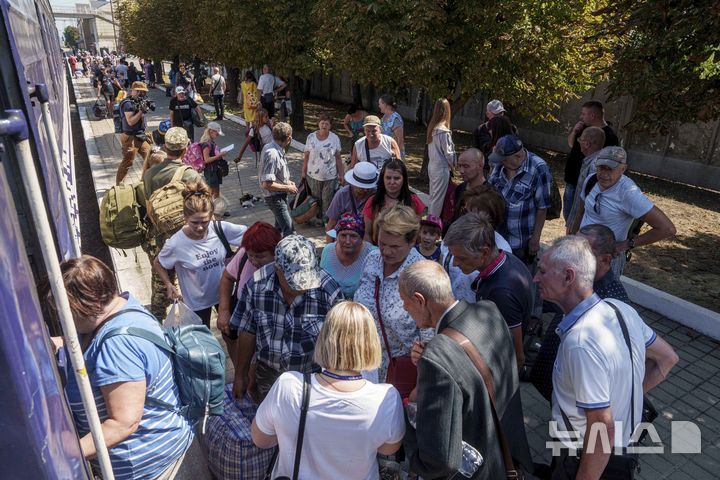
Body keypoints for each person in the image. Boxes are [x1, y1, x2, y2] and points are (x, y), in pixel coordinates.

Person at [534, 236, 678, 478]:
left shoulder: (579, 343)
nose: (536, 278)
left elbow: (601, 428)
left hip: (586, 459)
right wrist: (627, 397)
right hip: (622, 454)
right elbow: (668, 358)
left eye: (542, 271)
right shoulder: (620, 309)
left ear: (568, 277)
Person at [51, 255, 195, 479]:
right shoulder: (126, 307)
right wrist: (59, 343)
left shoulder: (118, 346)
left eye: (65, 310)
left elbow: (123, 423)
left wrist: (61, 455)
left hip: (149, 468)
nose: (62, 317)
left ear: (87, 305)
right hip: (164, 449)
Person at [399, 260, 533, 479]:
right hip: (507, 455)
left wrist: (412, 459)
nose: (405, 309)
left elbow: (440, 459)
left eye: (405, 303)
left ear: (419, 300)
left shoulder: (437, 358)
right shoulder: (488, 310)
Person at [252, 301, 405, 480]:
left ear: (325, 337)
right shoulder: (386, 399)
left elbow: (260, 439)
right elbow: (388, 448)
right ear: (371, 343)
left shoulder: (288, 387)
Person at [231, 235, 343, 401]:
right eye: (294, 282)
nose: (302, 287)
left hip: (313, 377)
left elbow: (340, 345)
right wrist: (241, 375)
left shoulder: (329, 291)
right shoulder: (256, 286)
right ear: (277, 269)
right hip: (268, 374)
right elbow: (248, 331)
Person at [530, 223, 633, 402]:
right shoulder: (580, 282)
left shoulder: (612, 300)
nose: (572, 255)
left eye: (584, 252)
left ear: (606, 260)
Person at [444, 213, 533, 371]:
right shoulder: (506, 259)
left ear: (484, 252)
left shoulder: (501, 291)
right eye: (453, 256)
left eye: (462, 258)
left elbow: (517, 356)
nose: (455, 263)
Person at [354, 206, 432, 381]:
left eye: (395, 246)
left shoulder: (422, 275)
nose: (386, 251)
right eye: (382, 243)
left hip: (400, 370)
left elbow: (429, 335)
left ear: (412, 241)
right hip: (364, 363)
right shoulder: (372, 259)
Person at [154, 180, 247, 327]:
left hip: (225, 293)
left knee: (231, 333)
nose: (199, 227)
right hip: (197, 302)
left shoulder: (220, 229)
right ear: (185, 218)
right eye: (194, 222)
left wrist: (236, 259)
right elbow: (158, 262)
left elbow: (251, 237)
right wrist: (168, 284)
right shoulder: (175, 243)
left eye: (204, 222)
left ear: (211, 216)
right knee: (203, 340)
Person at [574, 146, 676, 277]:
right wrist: (572, 237)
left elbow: (667, 229)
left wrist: (627, 244)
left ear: (623, 169)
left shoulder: (629, 193)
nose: (603, 174)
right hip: (581, 252)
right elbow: (581, 212)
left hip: (605, 261)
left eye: (610, 169)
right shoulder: (591, 179)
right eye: (601, 167)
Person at [217, 221, 281, 368]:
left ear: (276, 252)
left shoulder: (284, 267)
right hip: (242, 329)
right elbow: (227, 277)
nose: (253, 261)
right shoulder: (244, 255)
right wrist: (224, 311)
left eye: (260, 256)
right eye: (250, 255)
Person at [488, 134, 552, 264]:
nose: (501, 163)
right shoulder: (500, 164)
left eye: (504, 160)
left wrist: (535, 239)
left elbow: (542, 207)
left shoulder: (539, 168)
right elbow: (489, 189)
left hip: (520, 242)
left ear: (518, 156)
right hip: (496, 238)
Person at [564, 101, 620, 222]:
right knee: (569, 217)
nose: (581, 117)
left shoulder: (609, 136)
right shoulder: (583, 128)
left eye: (583, 114)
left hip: (588, 185)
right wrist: (574, 132)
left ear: (593, 115)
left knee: (579, 218)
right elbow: (571, 144)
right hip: (572, 180)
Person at [362, 159, 425, 244]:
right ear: (382, 178)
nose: (392, 182)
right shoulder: (373, 202)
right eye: (388, 178)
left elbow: (417, 233)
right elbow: (367, 234)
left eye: (397, 178)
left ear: (404, 179)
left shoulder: (414, 202)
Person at [301, 113, 343, 227]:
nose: (324, 125)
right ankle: (318, 219)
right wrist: (303, 172)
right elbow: (306, 156)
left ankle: (326, 221)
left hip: (330, 176)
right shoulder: (311, 137)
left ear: (330, 126)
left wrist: (341, 175)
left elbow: (338, 158)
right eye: (322, 123)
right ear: (318, 124)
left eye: (327, 123)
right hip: (313, 175)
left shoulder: (334, 138)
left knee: (327, 199)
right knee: (316, 199)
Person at [320, 213, 376, 298]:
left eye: (353, 236)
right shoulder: (328, 250)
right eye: (343, 235)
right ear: (337, 236)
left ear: (361, 238)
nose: (347, 241)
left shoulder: (372, 254)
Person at [258, 122, 297, 237]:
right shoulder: (273, 154)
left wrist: (287, 182)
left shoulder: (273, 147)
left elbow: (274, 174)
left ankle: (271, 249)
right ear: (289, 138)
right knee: (290, 231)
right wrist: (288, 187)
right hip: (275, 198)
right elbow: (267, 184)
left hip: (278, 195)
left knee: (278, 228)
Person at [324, 161, 377, 242]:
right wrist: (328, 249)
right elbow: (331, 224)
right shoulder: (342, 194)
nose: (366, 190)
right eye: (362, 187)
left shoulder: (376, 196)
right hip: (344, 239)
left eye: (368, 187)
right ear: (354, 184)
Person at [566, 126, 605, 233]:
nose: (579, 142)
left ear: (587, 144)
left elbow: (587, 202)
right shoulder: (590, 161)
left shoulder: (594, 166)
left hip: (584, 227)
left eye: (580, 140)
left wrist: (574, 228)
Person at [115, 81, 153, 184]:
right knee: (128, 162)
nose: (143, 94)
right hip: (130, 137)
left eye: (144, 92)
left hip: (141, 136)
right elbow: (131, 122)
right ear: (134, 91)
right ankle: (119, 185)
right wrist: (141, 111)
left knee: (150, 158)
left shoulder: (139, 101)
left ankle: (145, 181)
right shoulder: (127, 103)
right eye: (140, 92)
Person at [426, 98, 456, 216]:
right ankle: (432, 225)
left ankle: (430, 222)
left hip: (432, 166)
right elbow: (449, 153)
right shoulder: (443, 131)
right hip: (441, 168)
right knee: (437, 200)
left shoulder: (432, 128)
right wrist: (454, 165)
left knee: (433, 197)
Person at [199, 121, 227, 200]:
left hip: (214, 169)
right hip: (210, 171)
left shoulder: (211, 142)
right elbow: (207, 159)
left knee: (216, 191)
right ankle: (211, 210)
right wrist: (219, 155)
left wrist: (219, 155)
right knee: (211, 192)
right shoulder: (206, 144)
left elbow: (212, 155)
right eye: (217, 133)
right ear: (211, 131)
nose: (218, 135)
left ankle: (217, 209)